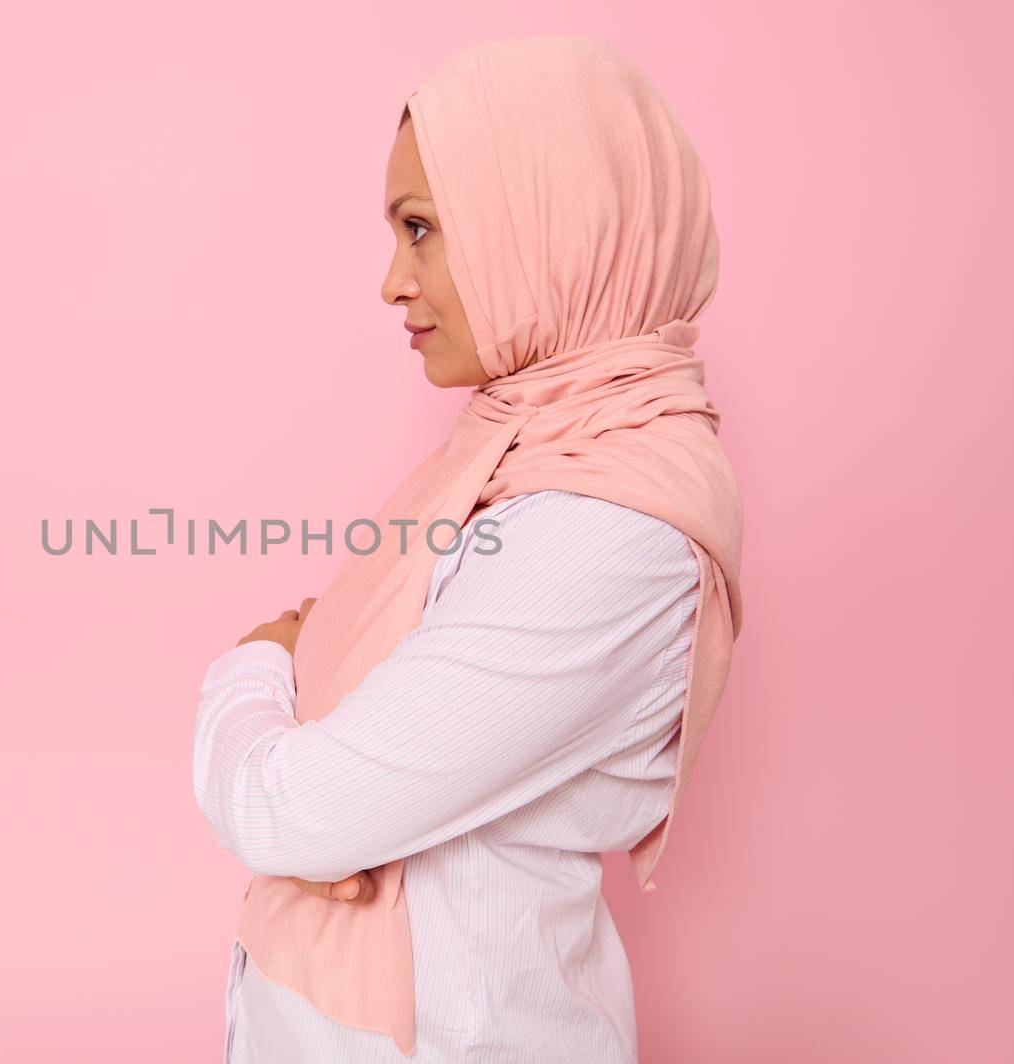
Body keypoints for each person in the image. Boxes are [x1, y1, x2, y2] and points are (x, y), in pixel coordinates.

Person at [193, 35, 741, 1063]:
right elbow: (329, 786)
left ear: (547, 226)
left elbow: (291, 809)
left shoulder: (607, 526)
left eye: (422, 230)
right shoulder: (521, 456)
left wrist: (251, 662)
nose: (392, 284)